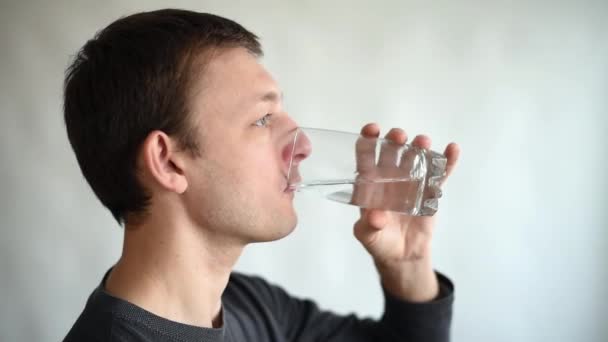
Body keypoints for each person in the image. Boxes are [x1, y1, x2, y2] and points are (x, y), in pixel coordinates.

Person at [63, 9, 460, 342]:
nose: (303, 146)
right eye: (262, 119)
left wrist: (407, 267)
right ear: (168, 162)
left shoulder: (251, 307)